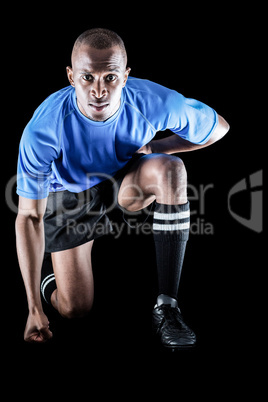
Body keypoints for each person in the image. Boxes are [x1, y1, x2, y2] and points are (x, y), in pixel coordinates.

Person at [15, 28, 229, 350]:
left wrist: (160, 146)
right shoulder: (44, 129)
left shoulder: (153, 102)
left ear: (126, 76)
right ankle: (51, 271)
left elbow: (219, 128)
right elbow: (30, 216)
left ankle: (167, 308)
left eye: (110, 77)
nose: (99, 90)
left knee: (170, 170)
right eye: (88, 78)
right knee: (74, 309)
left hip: (124, 179)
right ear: (71, 77)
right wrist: (33, 308)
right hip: (69, 196)